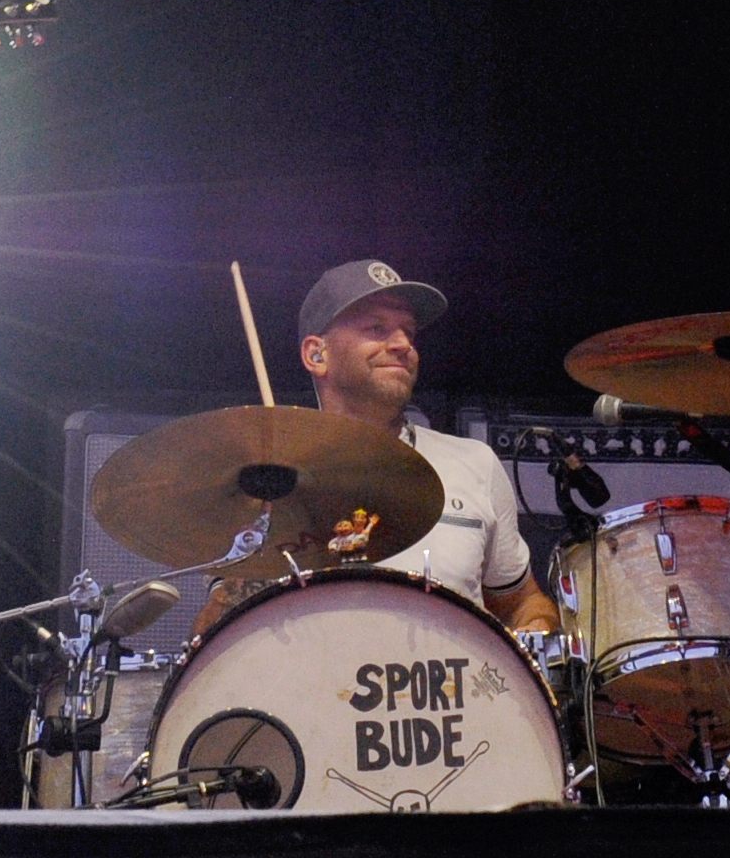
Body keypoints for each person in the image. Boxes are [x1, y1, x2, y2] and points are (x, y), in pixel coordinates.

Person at [197, 260, 559, 637]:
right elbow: (213, 640)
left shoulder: (473, 464)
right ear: (316, 355)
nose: (403, 345)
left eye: (409, 332)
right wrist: (270, 526)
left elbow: (520, 600)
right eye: (377, 328)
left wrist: (537, 626)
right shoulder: (264, 476)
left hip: (450, 691)